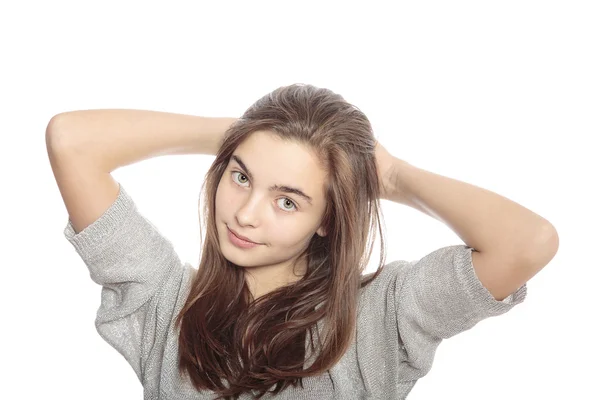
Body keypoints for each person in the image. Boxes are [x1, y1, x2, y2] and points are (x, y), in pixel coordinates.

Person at [47, 84, 557, 399]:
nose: (246, 216)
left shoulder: (384, 313)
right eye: (241, 177)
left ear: (329, 220)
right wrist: (245, 134)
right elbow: (71, 141)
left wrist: (394, 177)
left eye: (287, 200)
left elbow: (527, 243)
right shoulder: (165, 300)